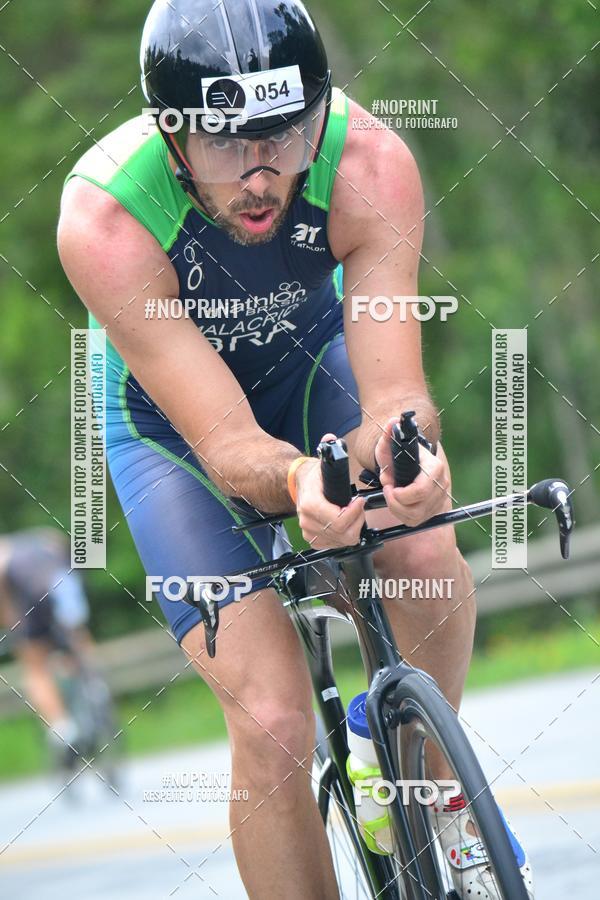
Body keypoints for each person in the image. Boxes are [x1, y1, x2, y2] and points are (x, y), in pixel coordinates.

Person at [57, 0, 533, 896]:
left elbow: (395, 393)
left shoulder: (370, 163)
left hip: (311, 366)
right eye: (227, 145)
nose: (262, 175)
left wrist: (409, 457)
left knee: (422, 542)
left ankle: (417, 785)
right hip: (174, 432)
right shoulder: (104, 221)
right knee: (272, 719)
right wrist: (294, 481)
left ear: (321, 111)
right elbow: (230, 445)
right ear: (171, 141)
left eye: (287, 134)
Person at [0, 528, 91, 762]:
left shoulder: (4, 551)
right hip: (63, 583)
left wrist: (12, 623)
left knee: (35, 666)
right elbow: (65, 546)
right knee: (77, 641)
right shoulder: (42, 537)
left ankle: (63, 728)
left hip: (31, 597)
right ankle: (92, 688)